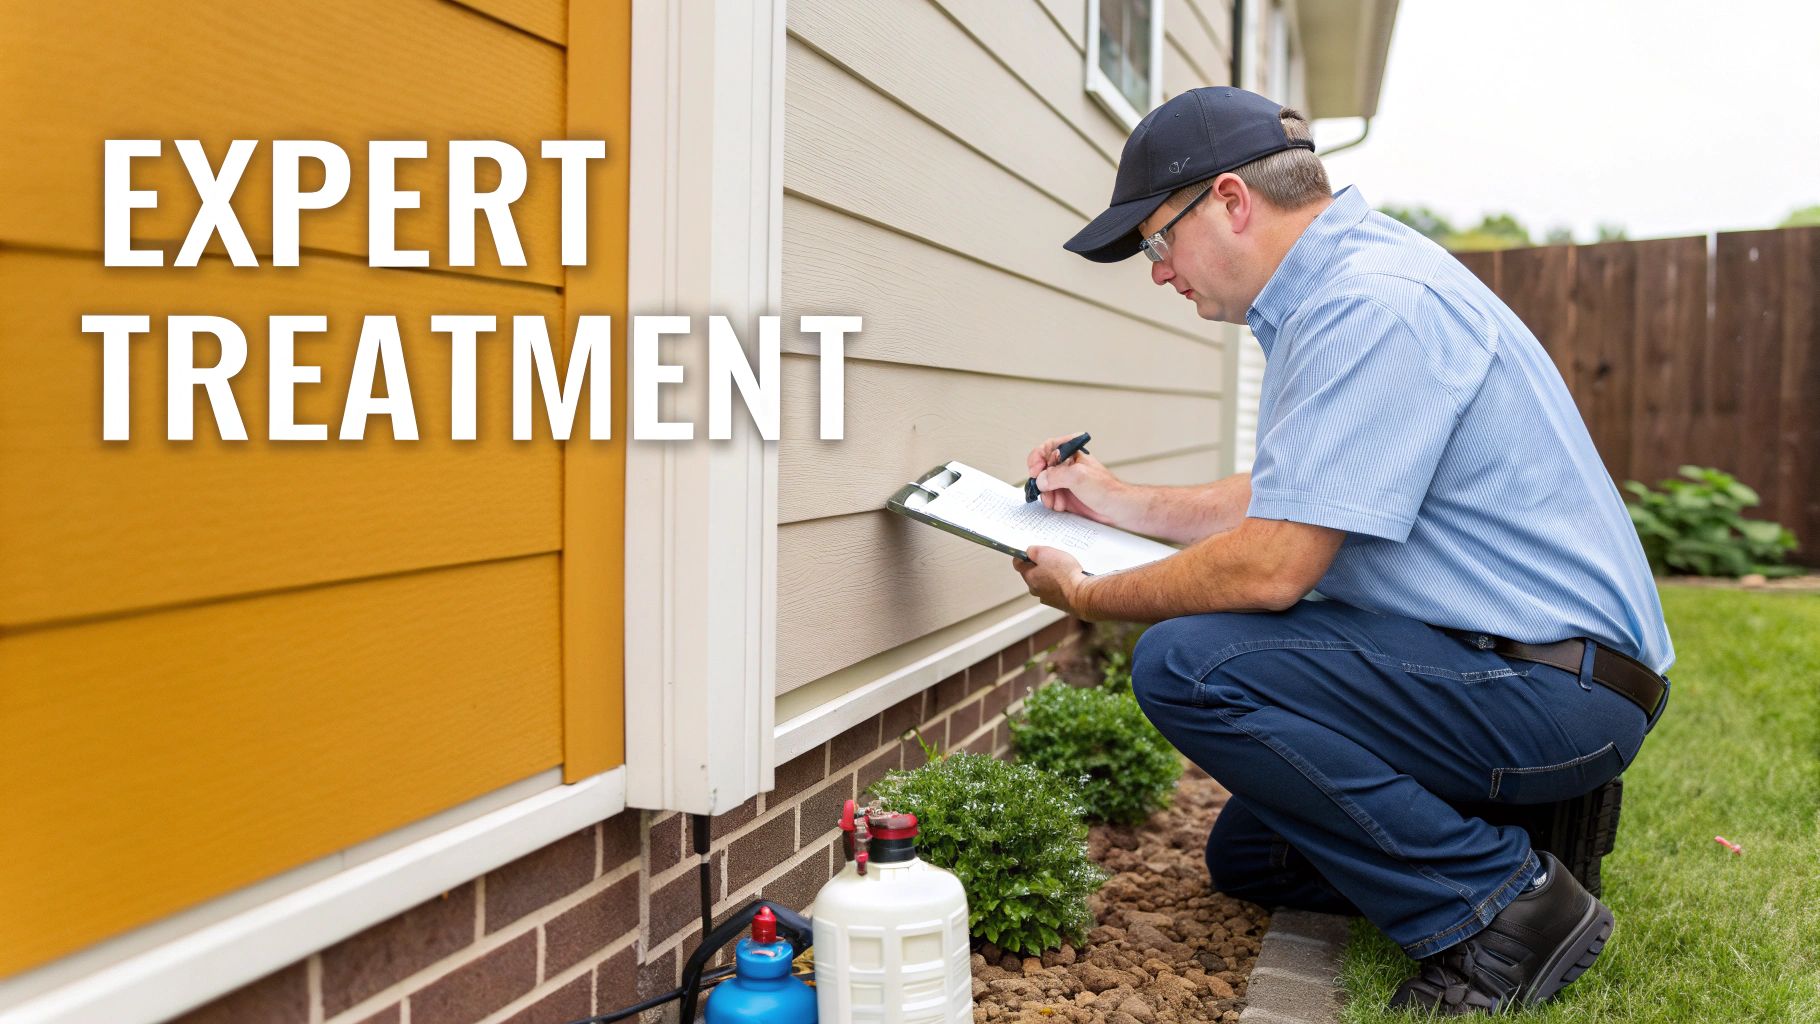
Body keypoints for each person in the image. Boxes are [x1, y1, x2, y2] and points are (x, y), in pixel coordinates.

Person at [1011, 86, 1673, 1015]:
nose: (1158, 272)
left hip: (1550, 689)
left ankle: (1504, 907)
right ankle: (1522, 824)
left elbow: (1273, 565)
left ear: (1232, 201)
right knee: (1250, 857)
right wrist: (1117, 500)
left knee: (1188, 665)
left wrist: (1087, 593)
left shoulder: (1373, 305)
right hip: (1522, 672)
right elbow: (1299, 492)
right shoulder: (1349, 284)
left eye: (1159, 240)